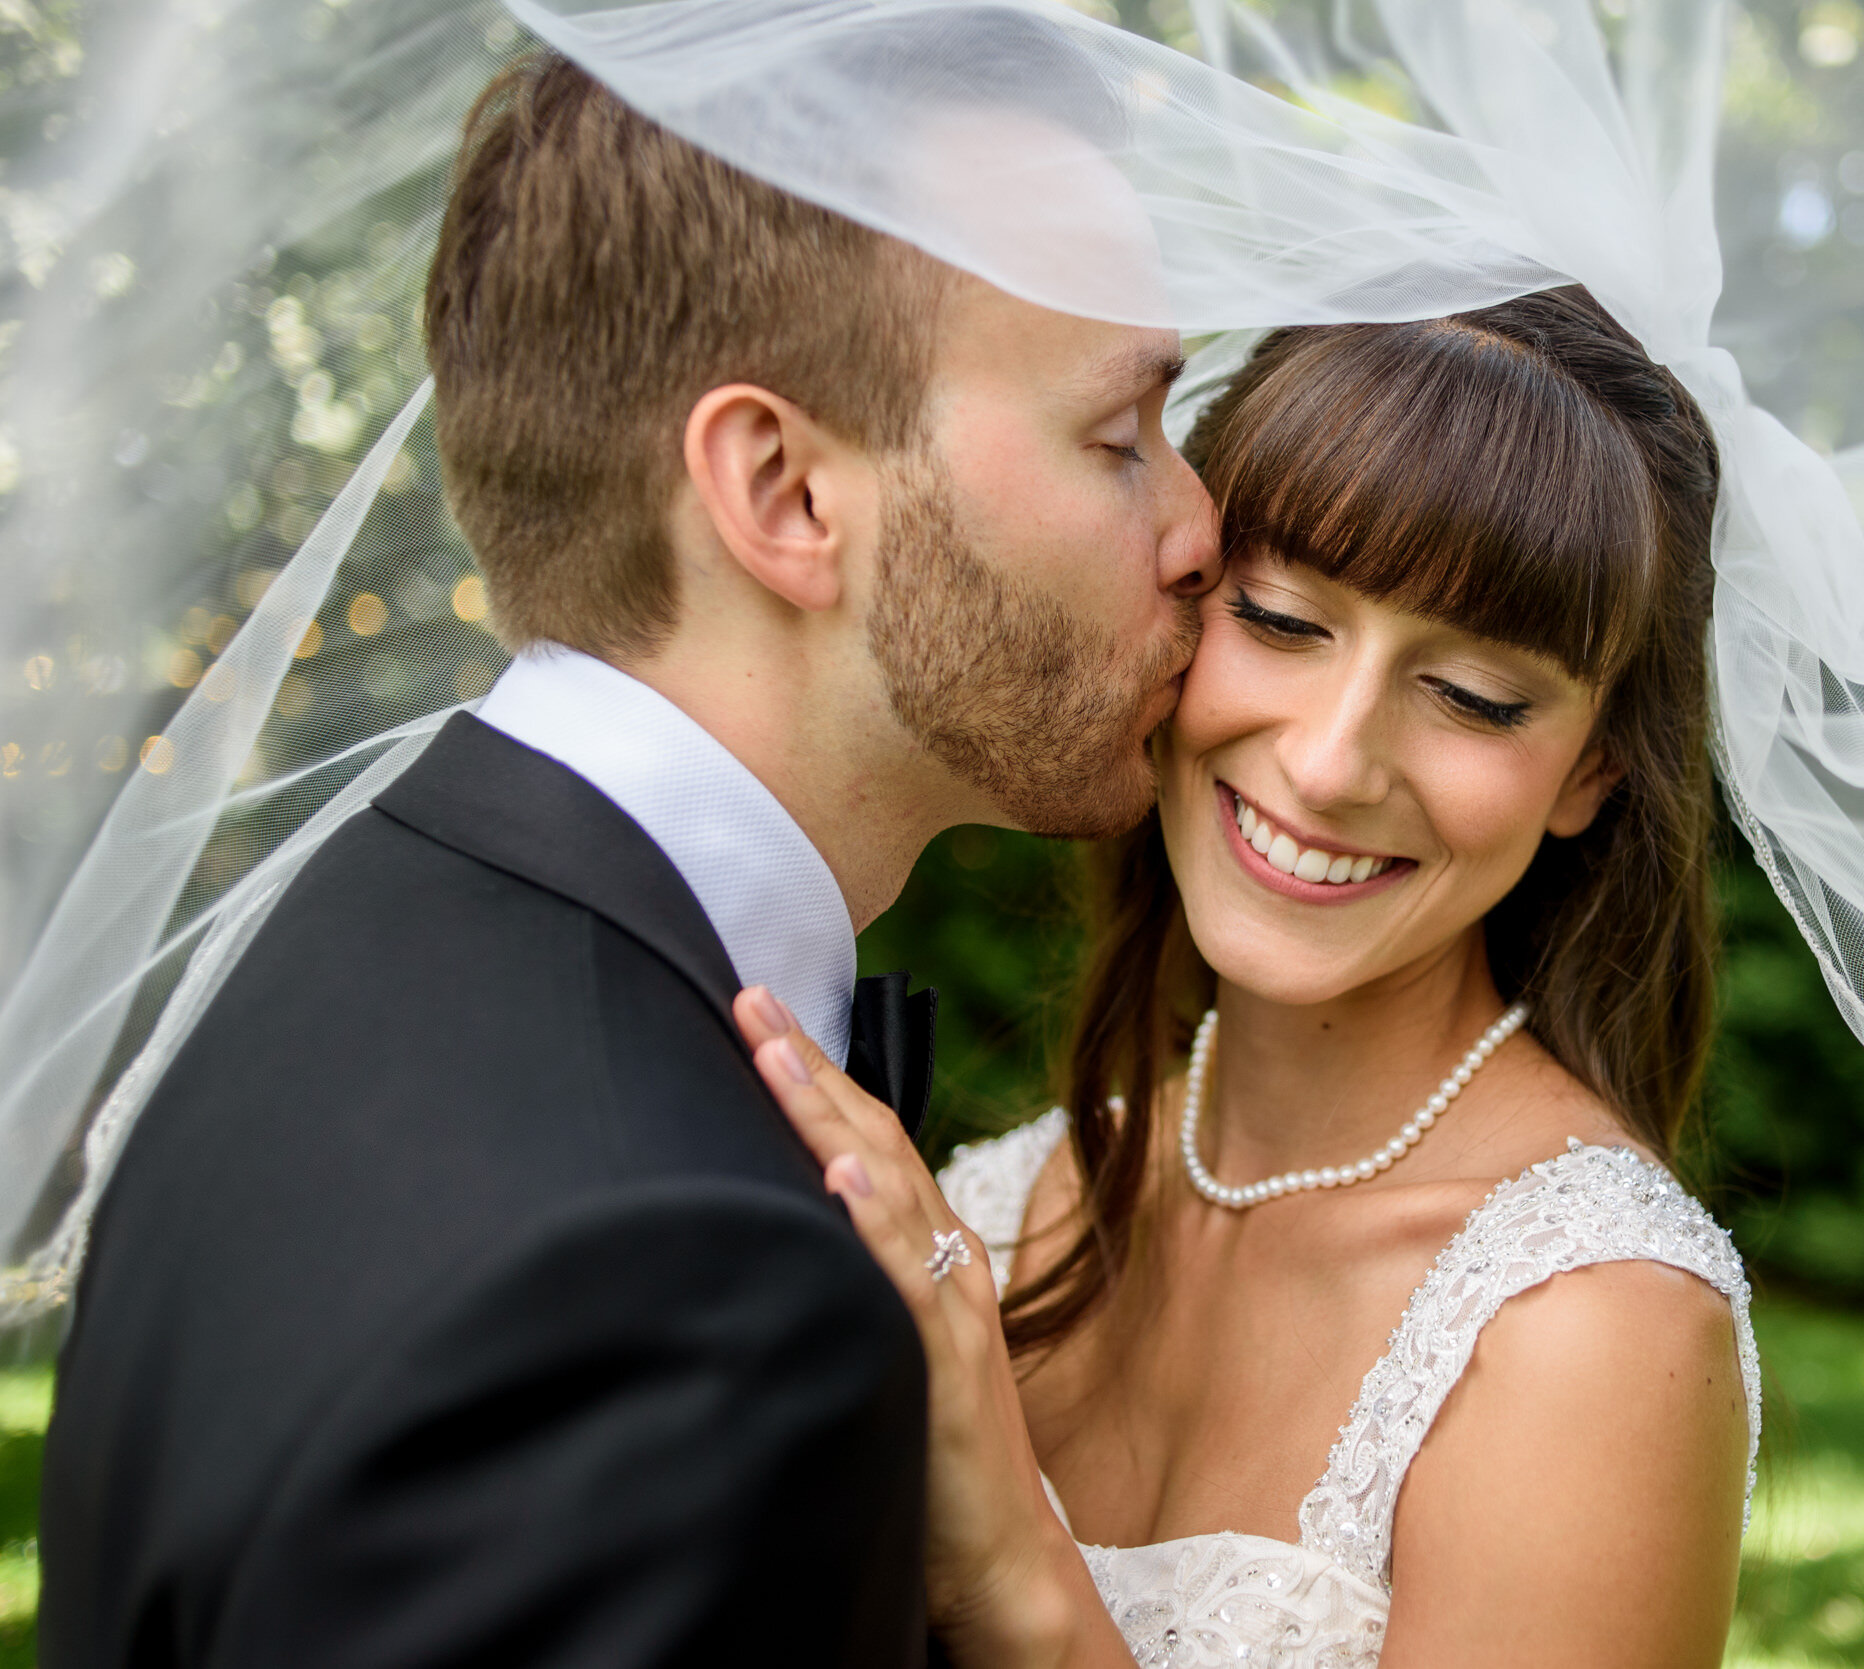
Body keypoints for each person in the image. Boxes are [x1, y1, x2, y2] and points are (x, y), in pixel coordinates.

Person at [38, 48, 1215, 1669]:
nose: (1201, 522)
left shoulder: (351, 935)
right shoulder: (668, 1302)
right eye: (1120, 432)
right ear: (785, 491)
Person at [745, 286, 1758, 1669]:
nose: (1333, 760)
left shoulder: (1591, 1324)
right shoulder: (1003, 1206)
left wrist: (1010, 1569)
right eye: (1281, 619)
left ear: (1593, 768)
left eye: (1472, 696)